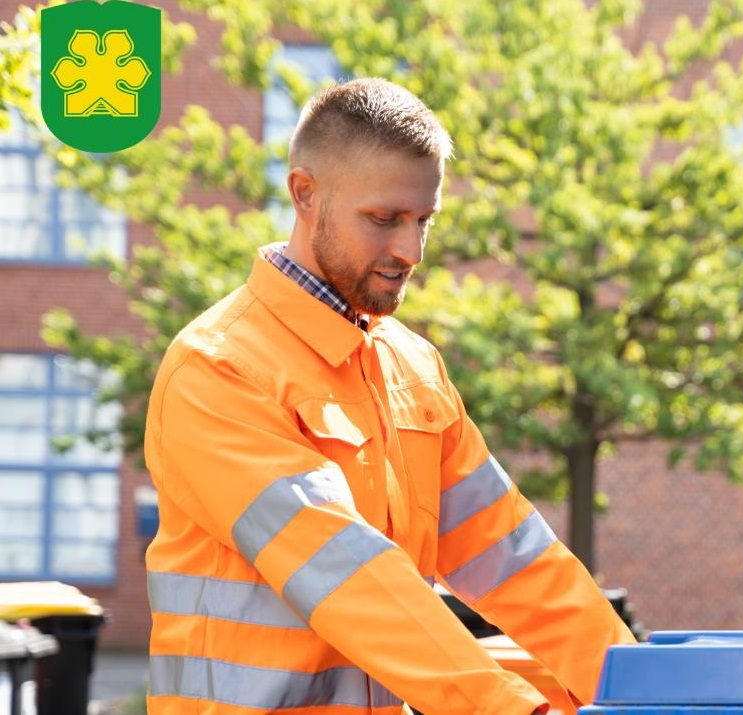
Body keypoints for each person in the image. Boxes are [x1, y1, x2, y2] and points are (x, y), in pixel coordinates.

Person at [143, 77, 636, 715]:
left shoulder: (413, 367)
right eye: (383, 220)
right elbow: (351, 580)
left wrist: (639, 686)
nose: (409, 250)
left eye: (423, 220)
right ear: (304, 195)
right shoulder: (217, 371)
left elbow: (519, 561)